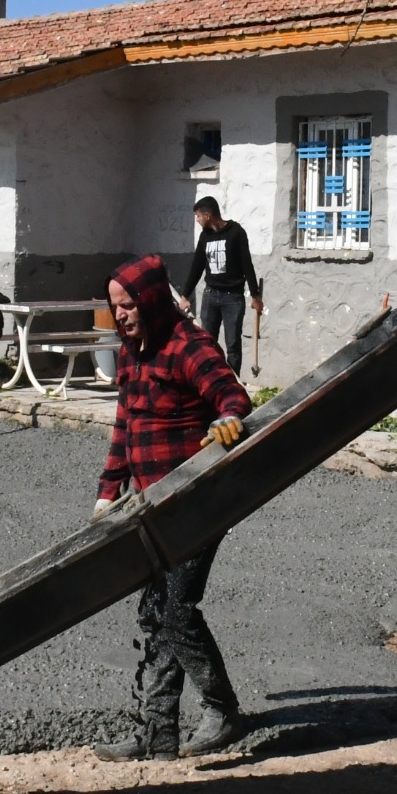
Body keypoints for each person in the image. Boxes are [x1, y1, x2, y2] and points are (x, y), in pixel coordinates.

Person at [92, 255, 253, 760]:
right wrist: (106, 493)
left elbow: (232, 395)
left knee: (177, 611)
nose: (120, 315)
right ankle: (158, 731)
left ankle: (222, 711)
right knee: (155, 611)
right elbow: (126, 427)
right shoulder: (132, 351)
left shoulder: (188, 345)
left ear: (152, 299)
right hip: (150, 507)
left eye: (127, 305)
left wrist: (227, 419)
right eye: (114, 307)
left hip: (194, 503)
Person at [178, 198, 263, 374]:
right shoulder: (205, 236)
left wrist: (255, 296)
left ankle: (232, 385)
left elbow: (247, 265)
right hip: (210, 296)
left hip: (233, 297)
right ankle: (210, 381)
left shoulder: (236, 233)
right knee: (207, 344)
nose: (197, 219)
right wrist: (185, 296)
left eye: (198, 215)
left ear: (208, 215)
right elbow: (197, 267)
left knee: (232, 345)